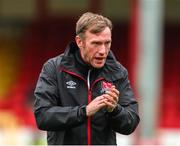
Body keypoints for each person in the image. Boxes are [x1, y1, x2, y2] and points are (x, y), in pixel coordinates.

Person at [34, 12, 140, 145]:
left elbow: (131, 124)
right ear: (80, 42)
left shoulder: (117, 72)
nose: (103, 51)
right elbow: (42, 116)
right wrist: (84, 112)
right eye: (96, 43)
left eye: (107, 43)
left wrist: (115, 110)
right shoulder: (55, 68)